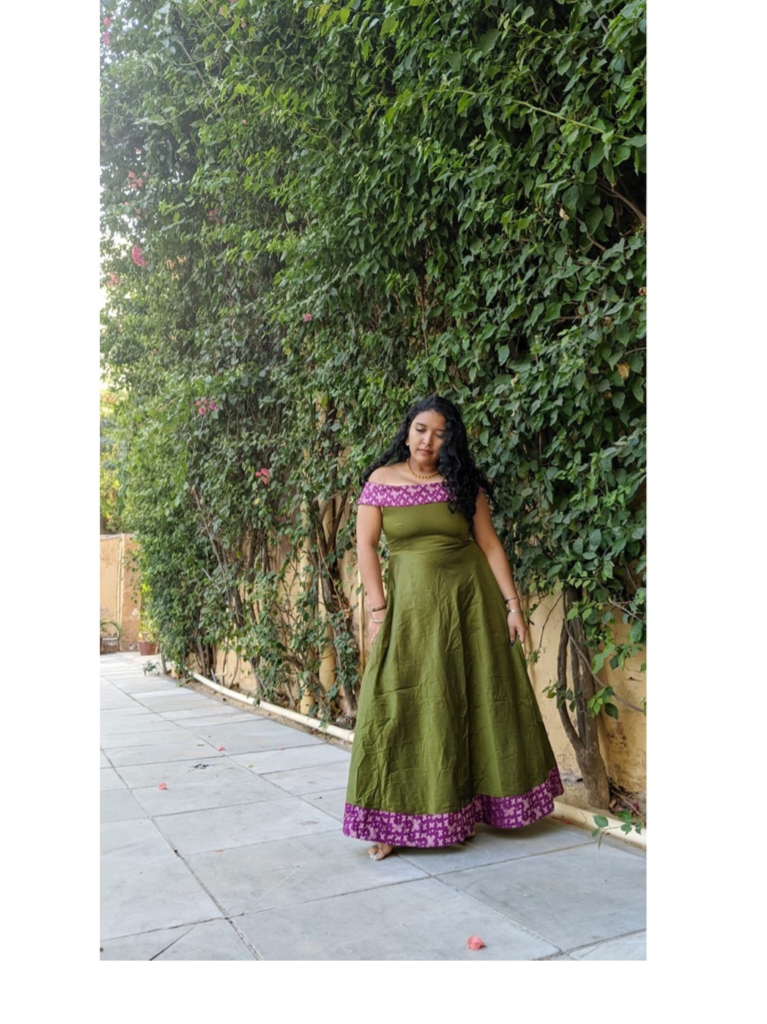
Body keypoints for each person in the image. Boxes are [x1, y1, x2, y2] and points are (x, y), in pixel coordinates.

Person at [343, 395, 563, 860]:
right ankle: (390, 821)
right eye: (421, 429)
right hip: (409, 612)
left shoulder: (461, 483)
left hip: (470, 606)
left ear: (451, 440)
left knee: (471, 700)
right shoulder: (381, 481)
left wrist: (513, 606)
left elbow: (490, 545)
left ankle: (463, 810)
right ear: (407, 431)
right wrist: (378, 611)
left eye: (440, 433)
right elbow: (365, 547)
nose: (428, 440)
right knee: (398, 702)